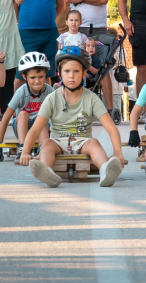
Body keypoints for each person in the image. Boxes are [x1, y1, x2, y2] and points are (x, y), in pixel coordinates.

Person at [19, 47, 127, 188]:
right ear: (59, 73)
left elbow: (111, 128)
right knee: (46, 144)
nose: (71, 76)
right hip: (58, 141)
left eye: (76, 71)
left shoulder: (91, 98)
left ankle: (105, 170)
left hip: (83, 141)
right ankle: (47, 172)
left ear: (84, 74)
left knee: (94, 143)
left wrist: (118, 153)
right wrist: (25, 152)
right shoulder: (52, 98)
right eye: (67, 71)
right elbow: (35, 130)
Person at [63, 0, 116, 107]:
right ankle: (78, 106)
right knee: (78, 67)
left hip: (99, 29)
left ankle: (109, 108)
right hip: (78, 30)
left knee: (103, 69)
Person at [0, 52, 54, 162]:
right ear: (24, 76)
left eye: (41, 77)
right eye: (32, 77)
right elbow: (5, 119)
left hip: (43, 129)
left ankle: (43, 150)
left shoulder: (50, 91)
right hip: (23, 128)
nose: (37, 81)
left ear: (45, 75)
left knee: (41, 122)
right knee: (22, 114)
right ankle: (23, 148)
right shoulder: (21, 91)